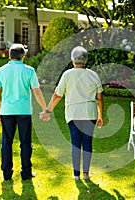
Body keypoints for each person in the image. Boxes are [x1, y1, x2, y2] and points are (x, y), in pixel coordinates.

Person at [46, 46, 104, 180]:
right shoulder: (93, 75)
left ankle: (76, 174)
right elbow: (99, 98)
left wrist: (48, 110)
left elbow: (57, 95)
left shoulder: (67, 74)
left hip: (73, 114)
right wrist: (100, 115)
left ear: (73, 61)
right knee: (87, 143)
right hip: (90, 114)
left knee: (75, 144)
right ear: (86, 61)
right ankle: (86, 174)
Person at [0, 43, 49, 181]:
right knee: (25, 142)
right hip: (24, 111)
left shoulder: (1, 70)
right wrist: (45, 108)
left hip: (6, 111)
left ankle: (7, 174)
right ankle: (26, 172)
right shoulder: (29, 71)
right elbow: (36, 91)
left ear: (9, 55)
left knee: (6, 142)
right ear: (23, 57)